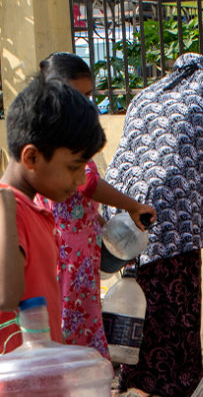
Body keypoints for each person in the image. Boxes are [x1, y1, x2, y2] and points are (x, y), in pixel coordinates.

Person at [104, 53, 203, 397]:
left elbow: (125, 157)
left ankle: (136, 379)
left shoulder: (146, 98)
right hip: (178, 219)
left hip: (135, 211)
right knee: (177, 302)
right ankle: (176, 386)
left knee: (141, 297)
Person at [35, 52, 156, 358]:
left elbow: (79, 194)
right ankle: (78, 386)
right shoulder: (63, 132)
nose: (86, 104)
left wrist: (101, 224)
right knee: (75, 323)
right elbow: (87, 183)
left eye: (89, 96)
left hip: (63, 240)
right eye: (79, 95)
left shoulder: (46, 127)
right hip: (69, 248)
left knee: (67, 316)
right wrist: (131, 206)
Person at [0, 75, 106, 354]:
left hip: (38, 373)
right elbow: (5, 295)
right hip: (15, 384)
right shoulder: (10, 210)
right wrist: (5, 210)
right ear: (31, 158)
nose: (80, 180)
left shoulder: (33, 210)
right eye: (73, 167)